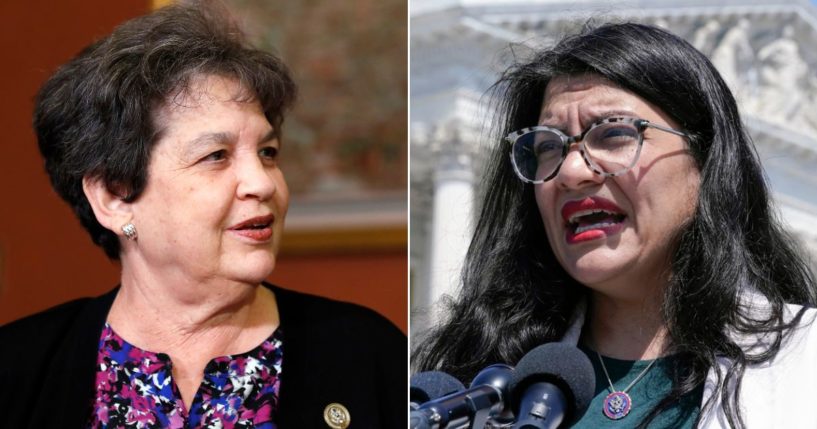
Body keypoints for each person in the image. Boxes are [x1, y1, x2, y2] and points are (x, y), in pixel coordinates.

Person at [0, 3, 405, 428]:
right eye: (216, 156)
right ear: (115, 197)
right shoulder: (16, 369)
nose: (263, 183)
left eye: (267, 153)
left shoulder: (370, 355)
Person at [413, 22, 817, 428]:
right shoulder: (470, 388)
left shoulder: (805, 364)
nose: (570, 171)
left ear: (707, 164)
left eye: (613, 134)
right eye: (548, 146)